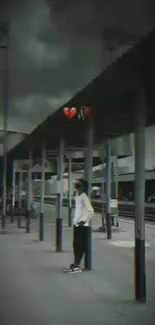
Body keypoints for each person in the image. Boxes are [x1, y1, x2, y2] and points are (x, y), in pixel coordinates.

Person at [65, 178, 94, 273]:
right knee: (76, 245)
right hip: (78, 225)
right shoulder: (79, 197)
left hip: (82, 226)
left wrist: (83, 221)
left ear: (82, 187)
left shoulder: (84, 197)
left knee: (79, 246)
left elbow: (90, 211)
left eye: (79, 184)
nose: (77, 185)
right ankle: (75, 264)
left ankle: (77, 266)